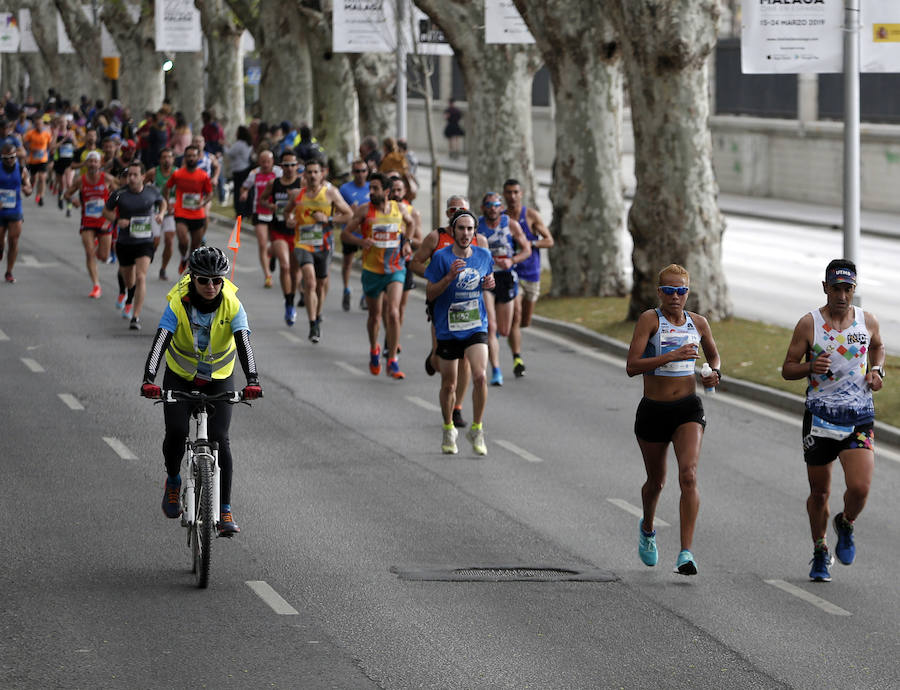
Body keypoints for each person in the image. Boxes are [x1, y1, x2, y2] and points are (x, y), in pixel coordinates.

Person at [139, 246, 263, 536]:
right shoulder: (178, 303)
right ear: (192, 278)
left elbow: (244, 343)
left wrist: (253, 380)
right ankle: (173, 480)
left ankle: (225, 508)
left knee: (220, 438)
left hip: (219, 376)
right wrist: (148, 379)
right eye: (204, 280)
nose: (211, 286)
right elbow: (160, 341)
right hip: (180, 376)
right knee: (177, 432)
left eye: (217, 280)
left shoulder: (232, 304)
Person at [781, 259, 885, 582]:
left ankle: (846, 523)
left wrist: (877, 370)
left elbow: (879, 348)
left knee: (860, 486)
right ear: (825, 288)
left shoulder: (866, 322)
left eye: (848, 289)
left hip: (858, 416)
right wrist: (809, 367)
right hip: (820, 417)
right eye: (836, 288)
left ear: (854, 289)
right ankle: (819, 550)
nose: (842, 295)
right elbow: (787, 368)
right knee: (820, 494)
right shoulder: (808, 324)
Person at [625, 263, 721, 576]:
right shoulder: (650, 320)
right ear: (659, 292)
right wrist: (670, 356)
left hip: (687, 409)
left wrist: (713, 374)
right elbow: (632, 365)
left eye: (680, 291)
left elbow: (714, 357)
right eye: (668, 290)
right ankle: (648, 528)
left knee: (689, 475)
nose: (675, 296)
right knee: (656, 482)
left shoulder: (699, 323)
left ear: (688, 292)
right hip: (653, 410)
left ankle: (685, 553)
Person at [411, 195, 489, 429]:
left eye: (462, 209)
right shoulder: (436, 237)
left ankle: (457, 408)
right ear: (448, 215)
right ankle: (434, 357)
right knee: (443, 362)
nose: (457, 212)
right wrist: (437, 275)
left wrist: (487, 282)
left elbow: (486, 270)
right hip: (443, 308)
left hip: (470, 311)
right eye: (453, 209)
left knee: (467, 361)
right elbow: (415, 263)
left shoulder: (479, 242)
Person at [424, 210, 495, 456]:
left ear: (475, 232)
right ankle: (448, 428)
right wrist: (449, 277)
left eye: (469, 229)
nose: (465, 233)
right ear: (453, 231)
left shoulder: (484, 255)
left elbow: (488, 278)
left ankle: (477, 428)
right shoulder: (441, 257)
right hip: (449, 328)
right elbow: (430, 293)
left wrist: (490, 283)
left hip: (475, 325)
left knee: (479, 377)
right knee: (450, 384)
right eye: (461, 228)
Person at [341, 172, 416, 377]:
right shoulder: (365, 210)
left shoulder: (399, 208)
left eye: (375, 188)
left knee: (393, 312)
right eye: (370, 188)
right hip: (372, 270)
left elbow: (411, 223)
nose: (371, 192)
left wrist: (407, 242)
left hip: (395, 268)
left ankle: (392, 359)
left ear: (386, 191)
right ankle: (374, 348)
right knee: (375, 316)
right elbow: (345, 233)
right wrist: (360, 242)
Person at [284, 158, 352, 343]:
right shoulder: (297, 195)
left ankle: (318, 313)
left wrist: (329, 220)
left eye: (316, 172)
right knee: (310, 282)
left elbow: (348, 215)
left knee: (321, 285)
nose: (313, 175)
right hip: (302, 244)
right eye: (309, 172)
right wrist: (289, 220)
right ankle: (313, 323)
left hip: (324, 246)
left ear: (323, 174)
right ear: (304, 175)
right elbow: (286, 213)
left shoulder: (331, 194)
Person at [103, 161, 166, 329]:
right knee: (129, 280)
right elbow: (106, 211)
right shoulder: (119, 193)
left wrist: (161, 213)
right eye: (128, 175)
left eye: (134, 175)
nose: (130, 178)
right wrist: (117, 220)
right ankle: (129, 297)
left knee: (140, 277)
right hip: (125, 243)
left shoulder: (152, 191)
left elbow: (162, 202)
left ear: (143, 177)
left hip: (145, 242)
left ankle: (135, 317)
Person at [476, 192, 531, 386]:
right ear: (483, 208)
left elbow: (527, 249)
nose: (493, 207)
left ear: (501, 207)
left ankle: (495, 340)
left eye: (496, 204)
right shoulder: (477, 227)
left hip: (506, 278)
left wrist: (512, 260)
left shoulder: (510, 224)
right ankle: (496, 370)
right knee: (490, 326)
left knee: (504, 329)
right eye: (489, 204)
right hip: (486, 278)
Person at [503, 178, 554, 378]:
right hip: (511, 273)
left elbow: (549, 240)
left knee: (524, 321)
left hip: (531, 273)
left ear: (521, 193)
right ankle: (517, 358)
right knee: (515, 316)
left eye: (516, 192)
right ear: (504, 195)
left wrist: (530, 245)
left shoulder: (531, 216)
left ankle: (510, 333)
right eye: (508, 192)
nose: (512, 196)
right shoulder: (502, 218)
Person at [64, 150, 117, 297]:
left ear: (100, 164)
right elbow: (67, 194)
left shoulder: (107, 178)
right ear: (86, 164)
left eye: (95, 161)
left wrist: (114, 211)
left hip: (104, 221)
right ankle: (96, 285)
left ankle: (99, 248)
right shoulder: (80, 180)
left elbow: (120, 193)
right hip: (87, 221)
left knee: (103, 256)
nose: (93, 164)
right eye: (90, 161)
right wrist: (72, 200)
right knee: (89, 253)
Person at [259, 150, 303, 325]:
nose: (290, 168)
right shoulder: (274, 183)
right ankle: (289, 303)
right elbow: (262, 200)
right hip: (279, 232)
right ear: (281, 166)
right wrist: (270, 205)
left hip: (298, 233)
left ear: (297, 166)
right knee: (284, 266)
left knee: (295, 271)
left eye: (293, 165)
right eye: (286, 165)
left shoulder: (302, 183)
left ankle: (291, 296)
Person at [165, 144, 213, 273]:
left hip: (197, 214)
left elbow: (210, 194)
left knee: (195, 246)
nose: (191, 158)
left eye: (193, 155)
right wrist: (169, 203)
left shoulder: (203, 175)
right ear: (185, 158)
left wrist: (203, 203)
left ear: (198, 157)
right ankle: (183, 257)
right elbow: (167, 187)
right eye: (189, 156)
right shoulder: (178, 174)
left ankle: (191, 266)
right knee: (183, 241)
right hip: (181, 212)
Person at [239, 149, 281, 288]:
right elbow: (244, 187)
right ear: (259, 162)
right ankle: (268, 275)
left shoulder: (278, 172)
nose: (265, 164)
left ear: (272, 162)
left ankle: (272, 254)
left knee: (274, 244)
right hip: (259, 211)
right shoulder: (254, 173)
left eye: (268, 161)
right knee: (263, 244)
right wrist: (244, 194)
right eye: (263, 161)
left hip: (275, 212)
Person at [338, 159, 370, 311]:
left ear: (367, 172)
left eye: (363, 171)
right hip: (350, 232)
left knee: (367, 265)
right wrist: (350, 212)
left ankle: (365, 294)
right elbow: (338, 211)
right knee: (347, 263)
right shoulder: (345, 189)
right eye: (357, 171)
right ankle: (346, 289)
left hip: (366, 234)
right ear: (352, 173)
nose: (360, 174)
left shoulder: (372, 188)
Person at [0, 143, 33, 283]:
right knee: (0, 243)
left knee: (14, 241)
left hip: (15, 209)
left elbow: (29, 188)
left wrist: (27, 190)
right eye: (6, 158)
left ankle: (9, 272)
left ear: (16, 156)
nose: (9, 160)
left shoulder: (21, 170)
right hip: (0, 211)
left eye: (12, 157)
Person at [144, 147, 177, 280]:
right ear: (159, 159)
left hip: (171, 212)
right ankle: (147, 260)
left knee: (169, 241)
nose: (166, 159)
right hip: (155, 211)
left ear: (173, 159)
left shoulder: (178, 173)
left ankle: (163, 269)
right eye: (164, 157)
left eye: (169, 157)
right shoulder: (153, 172)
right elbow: (141, 185)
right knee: (155, 241)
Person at [22, 114, 52, 206]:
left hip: (43, 159)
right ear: (35, 125)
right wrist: (30, 148)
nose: (39, 126)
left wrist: (47, 152)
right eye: (37, 124)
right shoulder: (30, 133)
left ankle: (40, 196)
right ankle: (32, 188)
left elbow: (49, 145)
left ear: (43, 124)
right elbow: (24, 143)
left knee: (42, 178)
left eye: (40, 124)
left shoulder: (47, 133)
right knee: (33, 178)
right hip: (32, 160)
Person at [225, 125, 253, 217]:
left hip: (239, 170)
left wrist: (224, 146)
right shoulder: (248, 143)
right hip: (246, 169)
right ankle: (247, 211)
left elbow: (229, 153)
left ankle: (240, 211)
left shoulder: (239, 144)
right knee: (246, 190)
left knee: (238, 192)